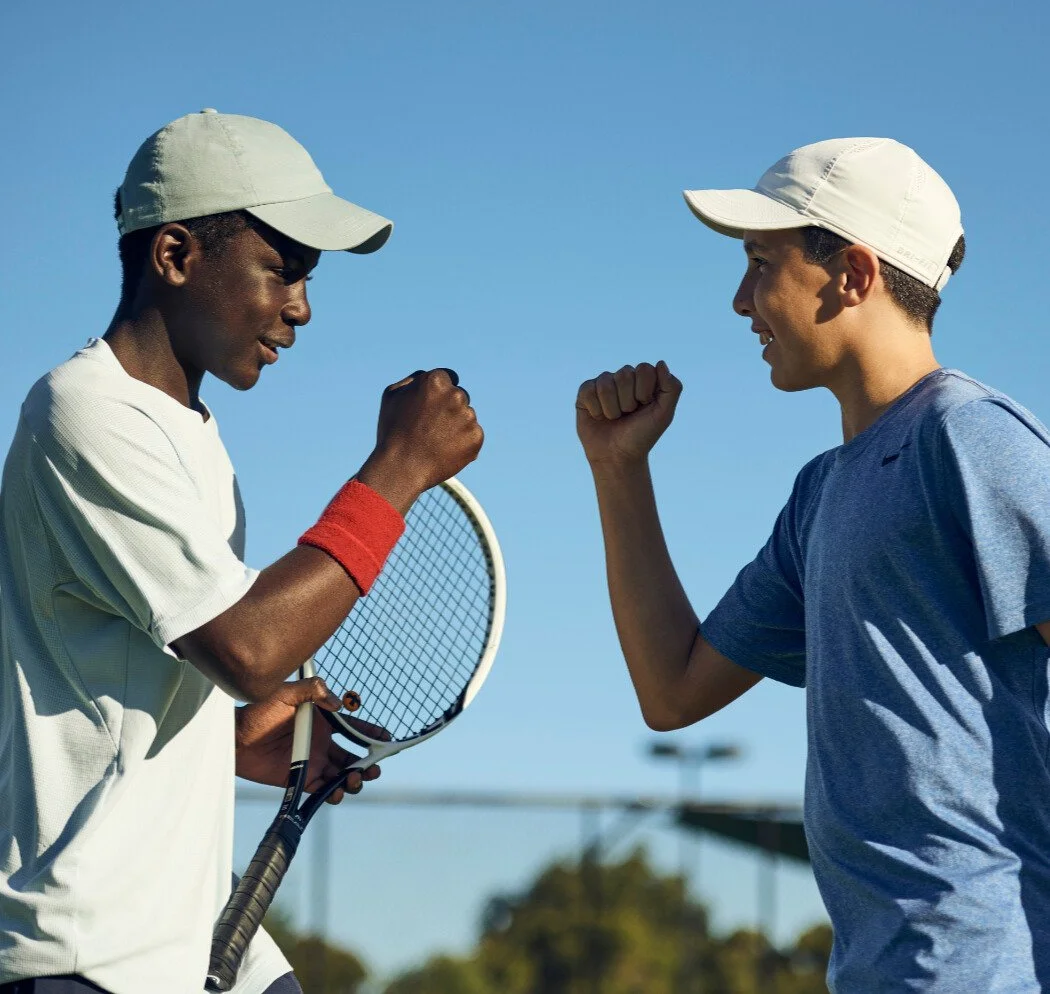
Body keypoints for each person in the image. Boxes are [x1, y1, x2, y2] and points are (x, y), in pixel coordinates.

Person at [0, 110, 484, 994]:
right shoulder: (84, 413)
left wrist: (221, 743)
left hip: (190, 939)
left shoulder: (189, 433)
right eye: (282, 271)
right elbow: (250, 647)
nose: (302, 306)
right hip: (92, 956)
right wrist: (401, 467)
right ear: (176, 256)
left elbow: (135, 682)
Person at [576, 137, 1050, 992]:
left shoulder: (973, 439)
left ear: (855, 275)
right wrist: (619, 468)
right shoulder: (820, 495)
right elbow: (672, 689)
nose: (739, 300)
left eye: (761, 263)